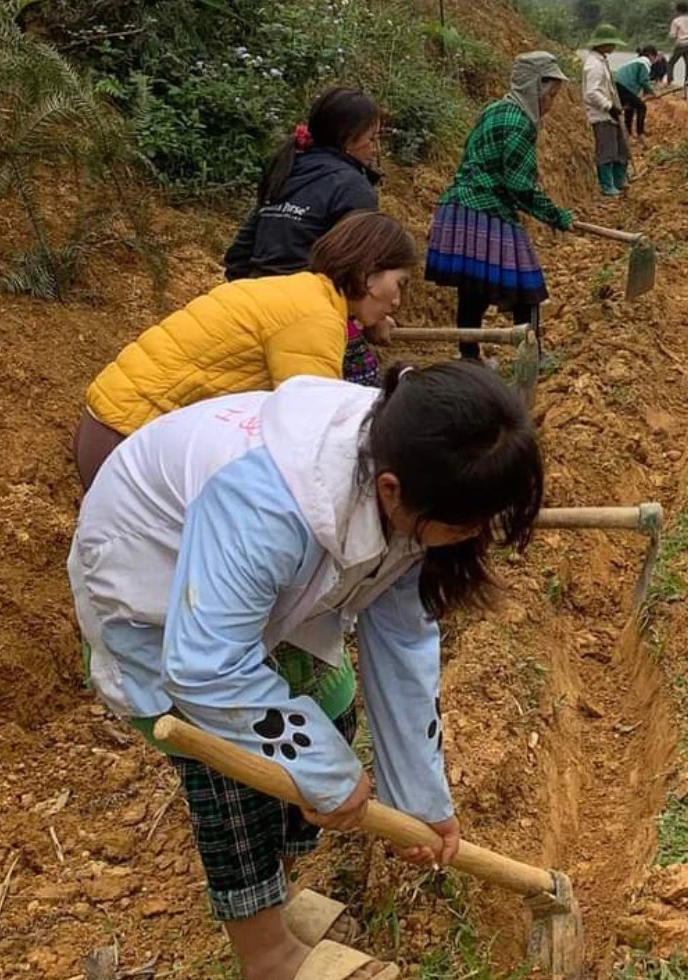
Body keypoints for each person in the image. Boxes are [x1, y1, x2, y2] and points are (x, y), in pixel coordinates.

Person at [69, 363, 544, 980]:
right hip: (151, 591)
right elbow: (206, 665)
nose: (471, 537)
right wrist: (321, 773)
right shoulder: (264, 504)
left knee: (332, 712)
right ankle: (266, 953)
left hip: (253, 596)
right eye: (462, 525)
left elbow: (403, 645)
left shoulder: (413, 460)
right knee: (238, 776)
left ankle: (280, 899)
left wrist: (419, 801)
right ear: (391, 490)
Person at [75, 212, 415, 490]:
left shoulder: (302, 293)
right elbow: (314, 432)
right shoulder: (314, 318)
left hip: (111, 423)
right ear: (368, 274)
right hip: (128, 440)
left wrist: (364, 320)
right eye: (399, 284)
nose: (398, 301)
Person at [224, 88, 389, 387]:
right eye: (371, 138)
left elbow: (239, 254)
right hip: (307, 311)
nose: (374, 149)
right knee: (364, 393)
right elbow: (356, 266)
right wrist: (372, 319)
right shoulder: (353, 187)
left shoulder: (287, 170)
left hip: (252, 305)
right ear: (347, 139)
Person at [425, 52, 574, 364]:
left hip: (458, 206)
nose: (551, 103)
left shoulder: (494, 109)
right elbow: (519, 186)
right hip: (485, 208)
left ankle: (468, 357)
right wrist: (556, 216)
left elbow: (472, 156)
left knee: (472, 289)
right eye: (551, 95)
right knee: (527, 286)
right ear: (535, 88)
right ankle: (532, 357)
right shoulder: (521, 123)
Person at [581, 25, 630, 198]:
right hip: (601, 115)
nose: (614, 47)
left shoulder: (601, 61)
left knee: (620, 149)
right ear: (603, 44)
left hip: (609, 114)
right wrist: (609, 106)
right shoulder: (594, 65)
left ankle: (618, 181)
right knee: (607, 151)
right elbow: (592, 93)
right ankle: (607, 186)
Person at [615, 47, 663, 141]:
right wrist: (652, 93)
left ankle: (628, 132)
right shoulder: (645, 63)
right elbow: (643, 81)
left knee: (630, 107)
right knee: (642, 107)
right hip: (625, 86)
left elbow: (638, 79)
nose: (655, 60)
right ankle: (640, 133)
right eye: (655, 57)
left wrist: (644, 92)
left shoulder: (637, 61)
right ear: (651, 56)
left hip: (619, 84)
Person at [667, 2, 688, 84]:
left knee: (671, 63)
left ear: (678, 10)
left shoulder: (676, 21)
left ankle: (670, 80)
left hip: (680, 44)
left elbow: (672, 35)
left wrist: (671, 40)